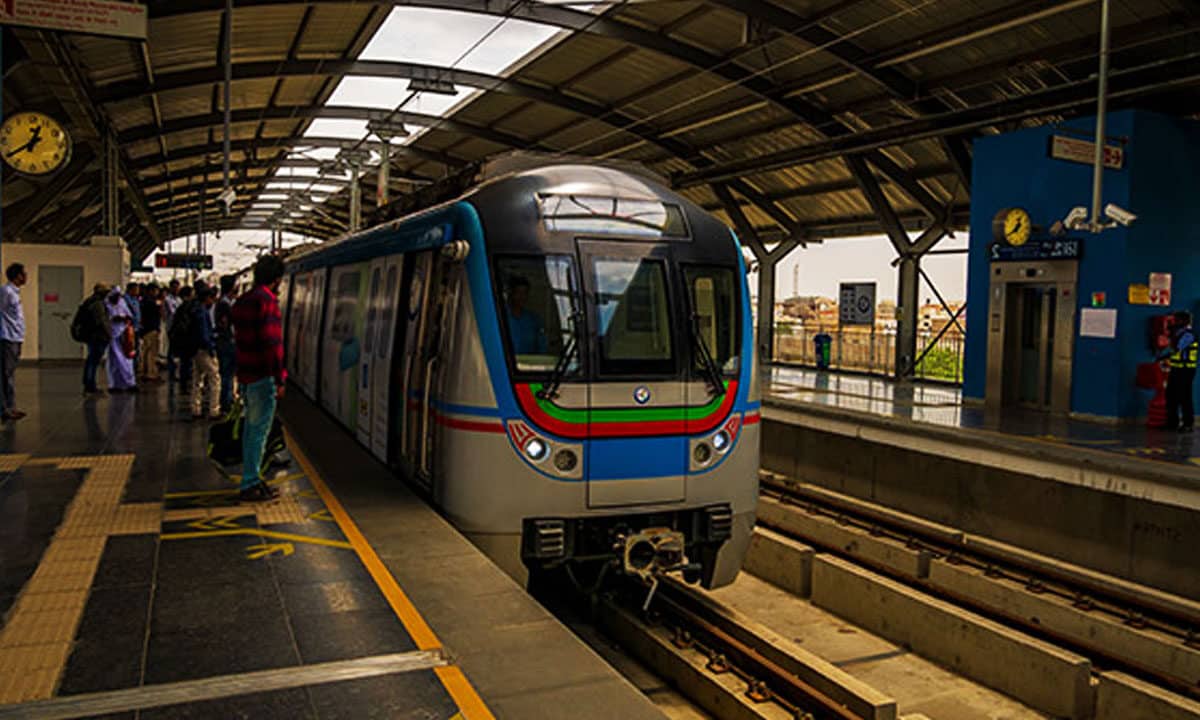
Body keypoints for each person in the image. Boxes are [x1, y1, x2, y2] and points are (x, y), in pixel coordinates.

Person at [233, 256, 287, 502]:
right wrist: (280, 378)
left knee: (251, 429)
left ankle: (251, 477)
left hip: (245, 373)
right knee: (258, 431)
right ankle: (251, 483)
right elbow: (272, 344)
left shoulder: (243, 301)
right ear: (276, 280)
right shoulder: (267, 302)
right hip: (262, 377)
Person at [0, 263, 27, 420]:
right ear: (17, 276)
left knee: (9, 374)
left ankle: (9, 406)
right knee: (6, 375)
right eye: (24, 274)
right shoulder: (6, 292)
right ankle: (6, 408)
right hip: (8, 338)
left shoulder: (14, 293)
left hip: (15, 337)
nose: (26, 277)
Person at [190, 288, 221, 420]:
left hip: (195, 350)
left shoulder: (195, 310)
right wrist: (211, 347)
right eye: (212, 298)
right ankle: (214, 410)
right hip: (204, 350)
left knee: (197, 380)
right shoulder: (203, 313)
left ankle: (195, 409)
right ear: (207, 298)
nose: (213, 301)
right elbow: (204, 334)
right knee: (215, 379)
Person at [76, 283, 112, 394]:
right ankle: (90, 385)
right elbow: (101, 321)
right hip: (97, 336)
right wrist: (109, 334)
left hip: (91, 335)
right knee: (93, 361)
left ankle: (88, 383)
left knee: (91, 360)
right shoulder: (98, 304)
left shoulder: (89, 301)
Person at [1165, 310, 1197, 432]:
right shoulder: (1178, 333)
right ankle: (1172, 422)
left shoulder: (1189, 334)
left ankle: (1188, 423)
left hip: (1186, 370)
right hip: (1176, 368)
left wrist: (1172, 335)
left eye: (1176, 320)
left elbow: (1177, 347)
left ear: (1183, 321)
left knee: (1184, 396)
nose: (1174, 323)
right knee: (1171, 395)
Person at [105, 288, 137, 392]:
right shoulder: (106, 304)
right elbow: (106, 319)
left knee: (127, 360)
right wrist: (115, 318)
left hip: (124, 335)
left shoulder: (122, 302)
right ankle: (115, 385)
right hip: (113, 335)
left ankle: (129, 383)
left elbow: (129, 316)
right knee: (115, 361)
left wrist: (126, 319)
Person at [215, 275, 238, 414]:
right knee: (227, 374)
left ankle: (227, 400)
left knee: (227, 374)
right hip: (227, 342)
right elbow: (224, 324)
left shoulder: (222, 303)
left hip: (226, 341)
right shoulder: (224, 305)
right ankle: (226, 403)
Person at [506, 276, 546, 355]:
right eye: (518, 293)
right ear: (511, 294)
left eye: (525, 293)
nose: (522, 297)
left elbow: (541, 349)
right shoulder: (499, 319)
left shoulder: (534, 321)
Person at [171, 286, 196, 394]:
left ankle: (184, 385)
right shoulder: (188, 307)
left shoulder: (181, 307)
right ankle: (185, 385)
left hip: (182, 339)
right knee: (187, 363)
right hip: (187, 339)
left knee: (185, 363)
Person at [138, 284, 162, 382]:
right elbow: (158, 313)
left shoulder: (142, 301)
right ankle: (151, 373)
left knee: (145, 351)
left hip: (145, 329)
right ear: (152, 291)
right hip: (151, 328)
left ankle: (144, 371)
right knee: (152, 352)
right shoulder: (151, 302)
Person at [163, 279, 181, 381]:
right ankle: (172, 372)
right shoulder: (168, 300)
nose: (176, 289)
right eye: (174, 287)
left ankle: (174, 371)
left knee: (175, 349)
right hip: (171, 327)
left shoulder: (178, 300)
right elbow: (173, 312)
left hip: (178, 328)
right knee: (172, 350)